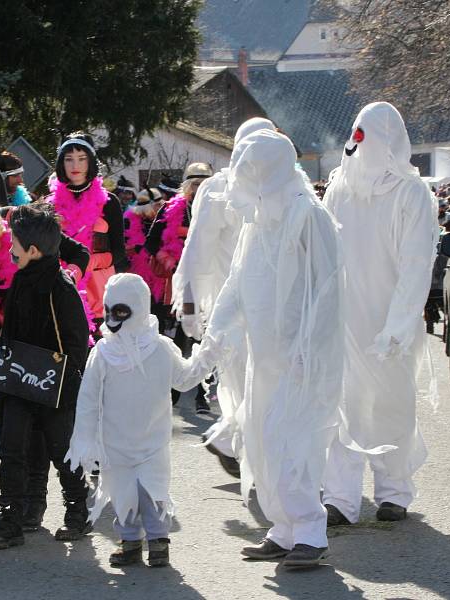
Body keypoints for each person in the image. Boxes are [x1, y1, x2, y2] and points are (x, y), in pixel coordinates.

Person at [184, 129, 344, 568]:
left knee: (296, 443)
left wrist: (307, 350)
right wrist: (215, 333)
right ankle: (284, 527)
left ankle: (310, 531)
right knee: (262, 440)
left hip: (300, 358)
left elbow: (328, 290)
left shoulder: (308, 214)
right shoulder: (259, 219)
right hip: (263, 354)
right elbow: (238, 281)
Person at [321, 102, 439, 526]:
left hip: (392, 323)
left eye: (365, 135)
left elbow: (415, 265)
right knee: (342, 409)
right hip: (345, 320)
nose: (358, 145)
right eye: (356, 135)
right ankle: (340, 498)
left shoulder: (413, 194)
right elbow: (326, 254)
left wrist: (398, 325)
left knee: (392, 406)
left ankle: (394, 492)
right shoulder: (339, 188)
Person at [0, 196, 89, 532]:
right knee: (14, 439)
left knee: (53, 440)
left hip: (48, 345)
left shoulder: (24, 233)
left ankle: (66, 508)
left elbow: (76, 254)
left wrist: (63, 280)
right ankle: (18, 514)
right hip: (11, 351)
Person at [65, 274, 201, 568]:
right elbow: (88, 399)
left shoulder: (162, 347)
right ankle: (129, 541)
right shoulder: (103, 353)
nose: (113, 319)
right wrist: (85, 439)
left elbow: (184, 378)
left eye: (122, 312)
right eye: (109, 310)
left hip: (153, 441)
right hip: (115, 442)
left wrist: (209, 354)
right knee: (123, 492)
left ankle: (158, 541)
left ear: (138, 309)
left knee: (152, 491)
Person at [172, 117, 277, 476]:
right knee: (240, 379)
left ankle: (233, 441)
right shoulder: (218, 189)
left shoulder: (277, 187)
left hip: (272, 305)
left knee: (263, 380)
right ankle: (239, 445)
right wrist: (189, 306)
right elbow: (196, 252)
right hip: (230, 306)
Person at [0, 205, 91, 550]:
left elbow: (77, 342)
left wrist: (68, 386)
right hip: (17, 384)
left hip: (54, 387)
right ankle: (10, 522)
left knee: (62, 452)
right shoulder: (19, 280)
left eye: (13, 241)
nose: (8, 246)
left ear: (32, 250)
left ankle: (77, 514)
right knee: (12, 450)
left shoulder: (61, 286)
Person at [145, 163, 213, 408]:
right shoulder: (171, 210)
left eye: (204, 183)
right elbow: (151, 244)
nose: (199, 189)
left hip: (207, 281)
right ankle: (170, 393)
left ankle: (201, 395)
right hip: (176, 285)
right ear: (187, 186)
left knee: (203, 335)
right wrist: (170, 260)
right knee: (176, 338)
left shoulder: (218, 209)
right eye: (195, 184)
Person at [49, 132, 128, 330]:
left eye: (82, 159)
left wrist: (89, 261)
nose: (75, 166)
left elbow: (119, 252)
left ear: (91, 162)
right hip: (64, 285)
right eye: (69, 159)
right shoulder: (49, 204)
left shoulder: (109, 202)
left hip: (100, 291)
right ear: (61, 163)